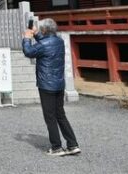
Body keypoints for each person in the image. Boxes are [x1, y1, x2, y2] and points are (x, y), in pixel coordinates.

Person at [22, 18, 80, 157]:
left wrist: (26, 38)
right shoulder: (58, 41)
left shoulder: (43, 44)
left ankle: (56, 147)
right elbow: (46, 42)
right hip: (59, 84)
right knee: (60, 114)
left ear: (44, 30)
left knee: (50, 117)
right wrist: (35, 34)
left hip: (46, 85)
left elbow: (28, 52)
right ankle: (72, 144)